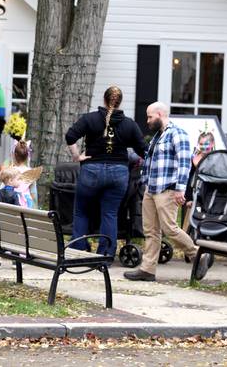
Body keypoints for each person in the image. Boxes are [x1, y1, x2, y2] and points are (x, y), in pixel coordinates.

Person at [124, 102, 205, 282]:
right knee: (150, 231)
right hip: (151, 190)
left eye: (150, 117)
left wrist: (180, 189)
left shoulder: (177, 133)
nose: (147, 121)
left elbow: (185, 163)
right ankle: (147, 269)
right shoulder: (158, 137)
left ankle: (198, 255)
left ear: (160, 114)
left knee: (170, 229)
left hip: (167, 190)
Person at [65, 86, 146, 257]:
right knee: (110, 213)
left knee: (82, 211)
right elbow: (143, 150)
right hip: (119, 174)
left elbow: (70, 136)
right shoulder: (129, 124)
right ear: (120, 102)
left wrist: (77, 156)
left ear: (104, 100)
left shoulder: (90, 119)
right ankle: (106, 255)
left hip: (91, 171)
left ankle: (78, 251)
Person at [0, 167, 35, 269]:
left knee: (0, 240)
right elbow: (18, 210)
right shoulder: (15, 195)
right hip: (12, 225)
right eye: (18, 179)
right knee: (14, 240)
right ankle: (15, 261)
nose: (20, 181)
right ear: (10, 181)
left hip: (0, 224)